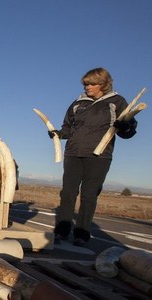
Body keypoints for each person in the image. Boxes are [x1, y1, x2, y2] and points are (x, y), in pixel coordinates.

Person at [49, 67, 137, 247]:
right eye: (85, 84)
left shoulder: (117, 102)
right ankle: (62, 231)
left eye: (91, 84)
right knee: (68, 193)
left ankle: (81, 233)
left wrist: (124, 126)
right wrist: (58, 134)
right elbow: (67, 127)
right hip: (73, 153)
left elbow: (128, 132)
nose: (87, 87)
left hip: (99, 156)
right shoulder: (78, 103)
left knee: (89, 195)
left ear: (103, 85)